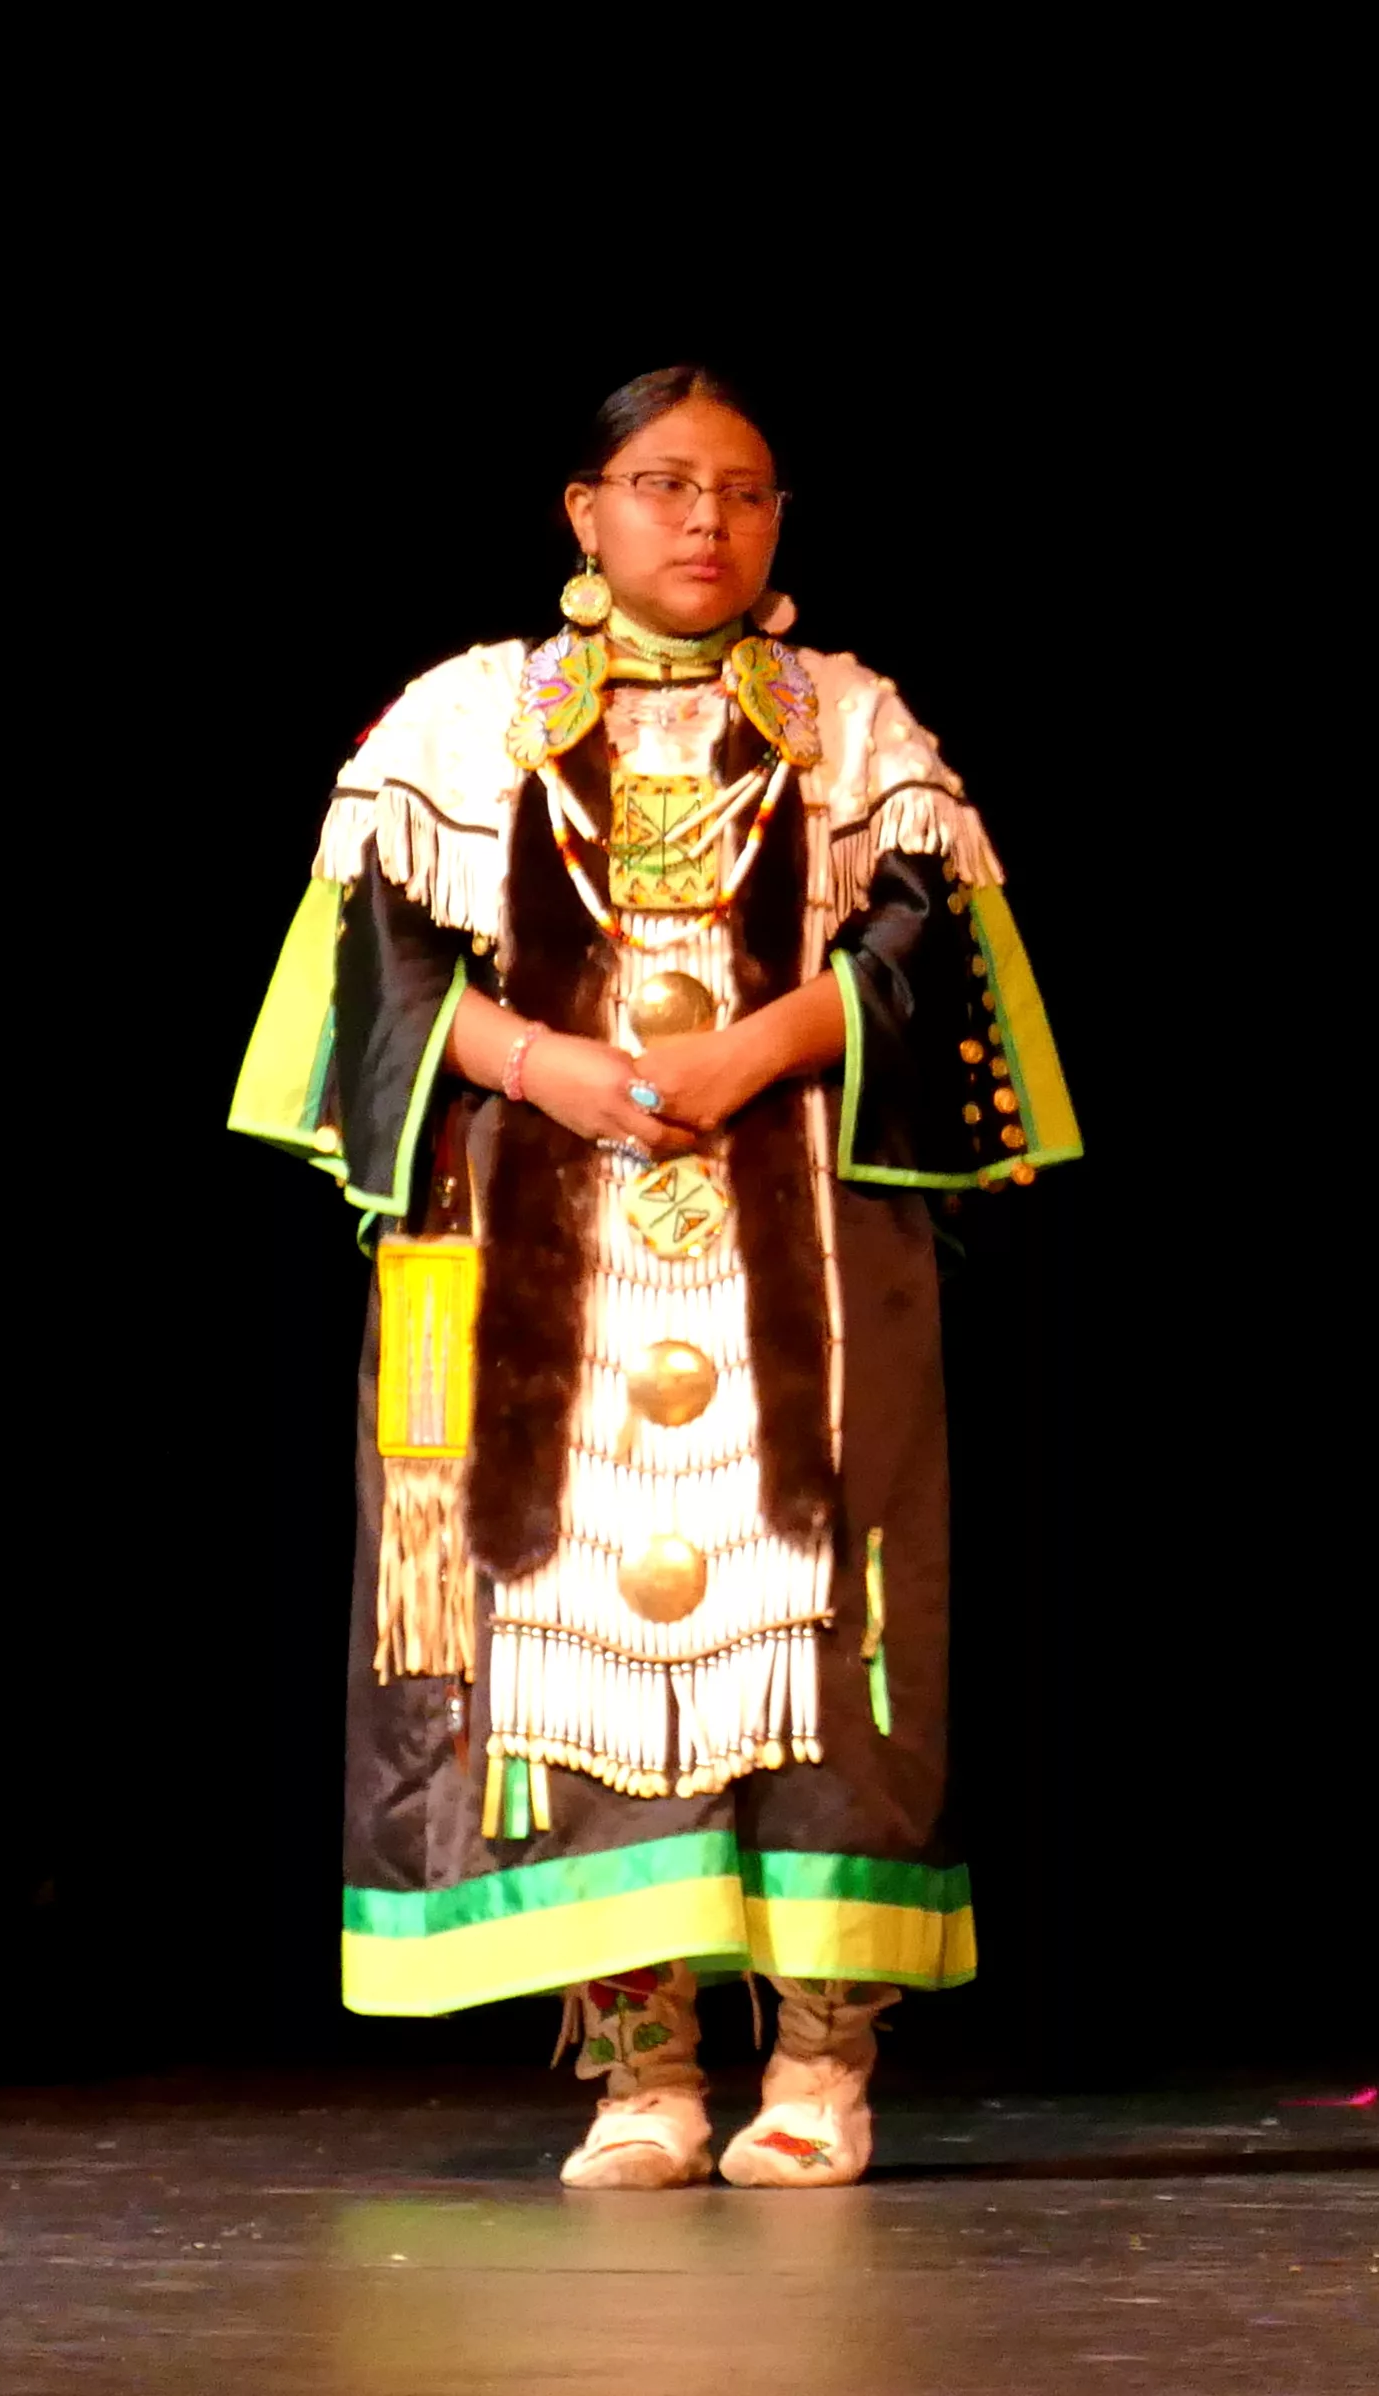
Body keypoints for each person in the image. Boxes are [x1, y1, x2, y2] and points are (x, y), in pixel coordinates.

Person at [229, 366, 1076, 2188]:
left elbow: (939, 977)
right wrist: (543, 1066)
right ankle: (643, 2069)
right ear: (583, 510)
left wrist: (758, 1047)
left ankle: (826, 2061)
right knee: (566, 1631)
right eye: (667, 485)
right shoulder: (461, 726)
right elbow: (372, 995)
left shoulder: (854, 730)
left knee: (829, 1630)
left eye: (749, 493)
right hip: (550, 1261)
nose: (708, 521)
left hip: (808, 1275)